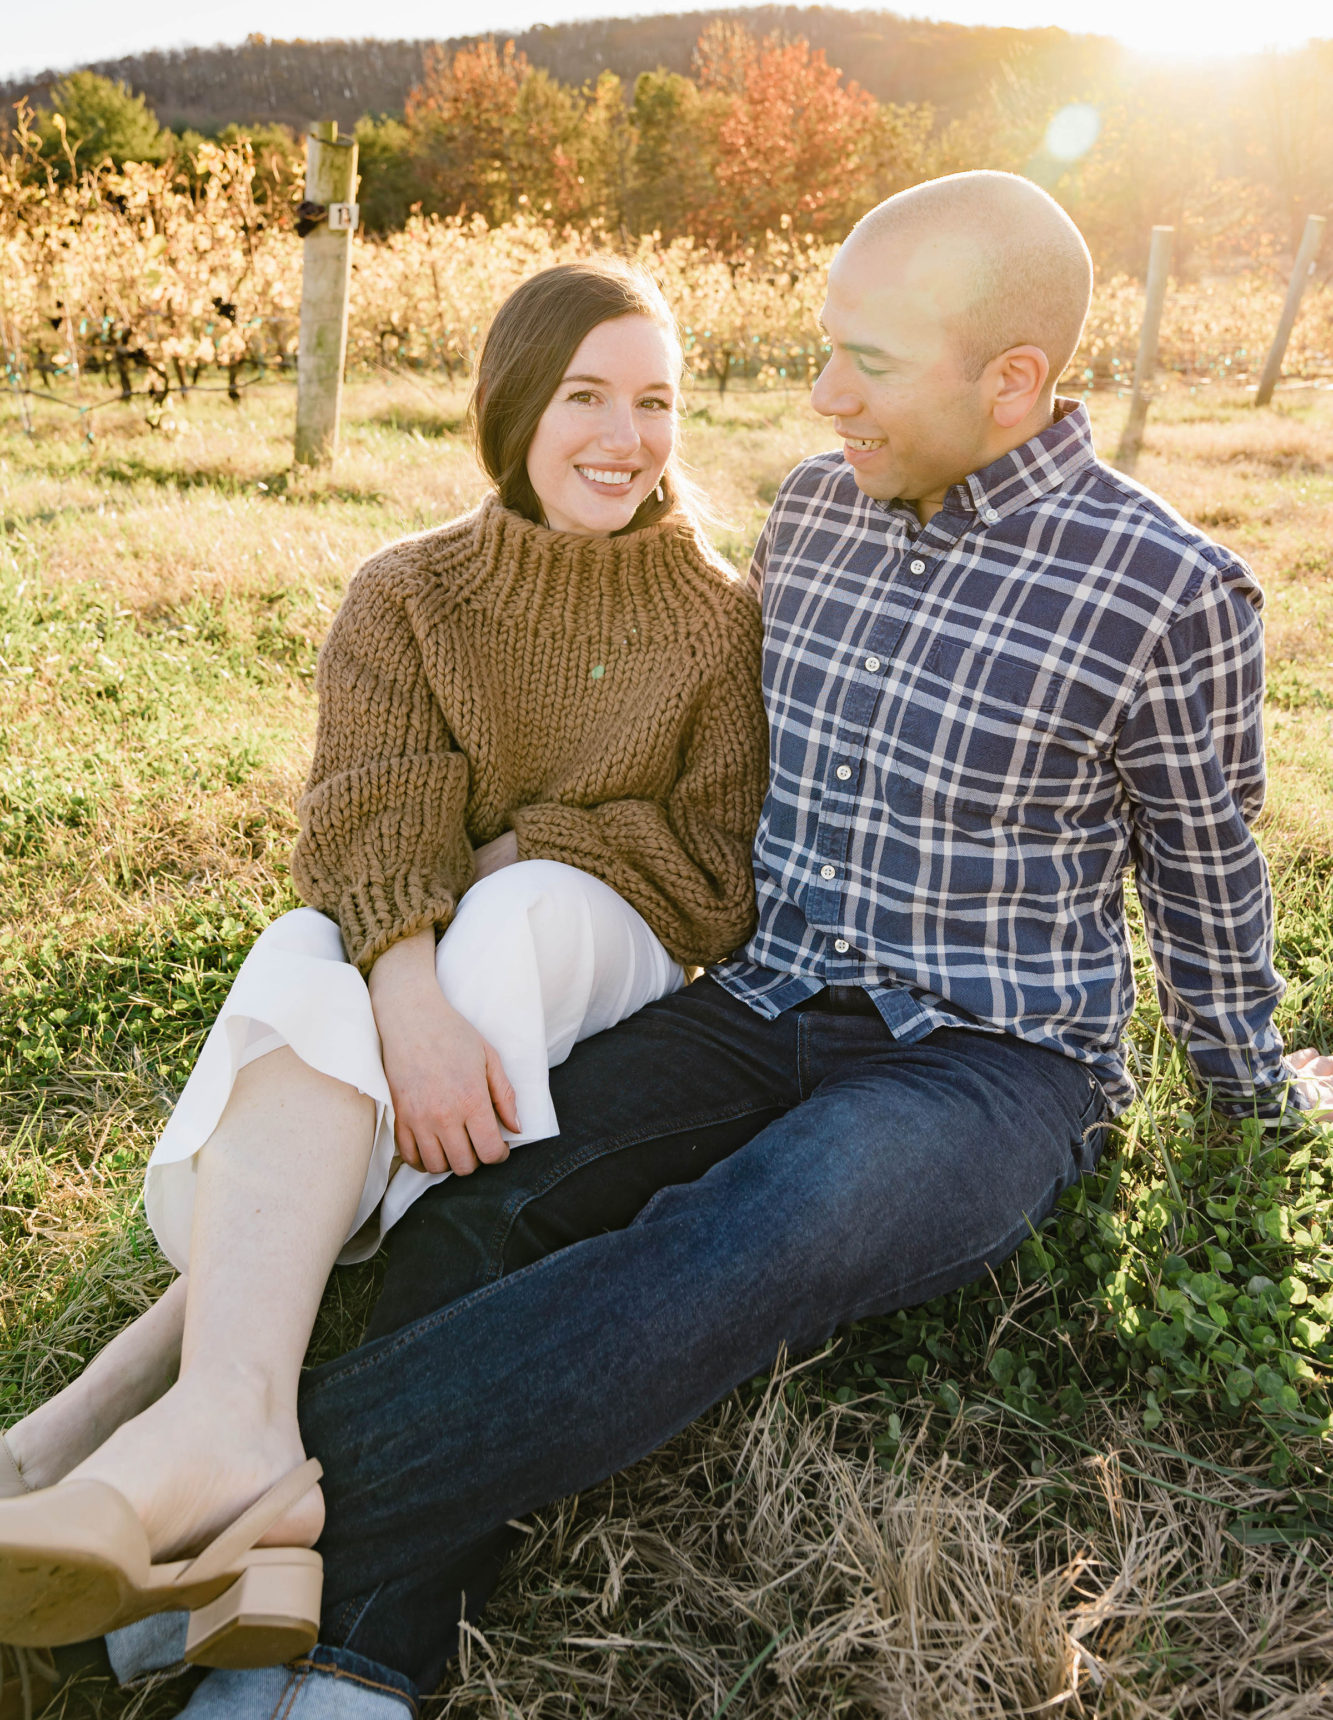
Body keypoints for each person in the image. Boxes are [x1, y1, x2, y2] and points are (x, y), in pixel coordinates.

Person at [13, 170, 1333, 1715]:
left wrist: (1255, 1094)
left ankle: (210, 1533)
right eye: (820, 350)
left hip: (986, 1062)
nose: (821, 394)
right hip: (764, 999)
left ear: (1013, 384)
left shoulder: (1170, 590)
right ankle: (354, 1645)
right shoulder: (819, 512)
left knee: (745, 1231)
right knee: (476, 1199)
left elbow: (1204, 880)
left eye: (867, 364)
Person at [0, 261, 767, 1663]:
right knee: (306, 947)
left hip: (616, 938)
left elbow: (713, 872)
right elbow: (362, 821)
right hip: (451, 952)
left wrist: (504, 850)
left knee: (522, 905)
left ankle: (116, 1400)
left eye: (654, 401)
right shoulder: (407, 594)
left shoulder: (723, 619)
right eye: (585, 395)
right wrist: (404, 988)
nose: (625, 435)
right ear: (511, 407)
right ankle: (237, 1434)